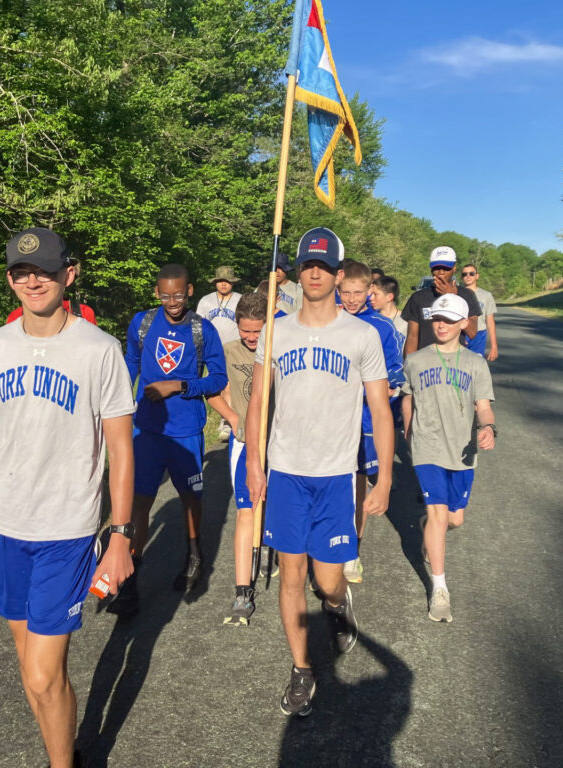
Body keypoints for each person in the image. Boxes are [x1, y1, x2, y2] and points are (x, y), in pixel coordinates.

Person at [0, 227, 135, 768]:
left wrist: (120, 537)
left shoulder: (99, 350)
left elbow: (121, 449)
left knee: (41, 674)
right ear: (10, 279)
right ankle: (65, 752)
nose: (33, 281)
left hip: (67, 532)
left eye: (46, 272)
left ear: (68, 275)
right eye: (21, 272)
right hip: (5, 529)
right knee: (31, 669)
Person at [246, 227, 393, 717]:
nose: (315, 273)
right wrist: (254, 463)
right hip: (287, 472)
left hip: (335, 476)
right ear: (298, 270)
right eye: (308, 265)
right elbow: (258, 400)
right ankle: (302, 668)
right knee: (291, 574)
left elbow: (380, 409)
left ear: (338, 273)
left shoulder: (361, 335)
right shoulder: (276, 330)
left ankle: (336, 604)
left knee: (327, 580)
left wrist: (385, 478)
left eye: (324, 266)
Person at [109, 264, 228, 616]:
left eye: (178, 295)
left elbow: (218, 378)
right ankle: (131, 581)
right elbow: (131, 362)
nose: (172, 302)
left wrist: (178, 385)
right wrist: (116, 400)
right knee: (139, 502)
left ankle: (194, 555)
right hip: (146, 428)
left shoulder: (202, 330)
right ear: (156, 293)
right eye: (165, 295)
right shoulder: (142, 323)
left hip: (186, 429)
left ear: (189, 291)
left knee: (190, 498)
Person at [400, 293, 496, 623]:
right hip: (427, 447)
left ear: (464, 323)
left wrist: (488, 428)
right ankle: (440, 589)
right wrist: (409, 431)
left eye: (449, 320)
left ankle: (428, 528)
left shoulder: (476, 363)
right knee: (439, 514)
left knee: (454, 519)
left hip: (462, 450)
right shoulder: (416, 360)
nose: (441, 325)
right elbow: (408, 398)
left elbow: (484, 406)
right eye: (437, 319)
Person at [337, 261, 404, 584]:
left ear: (370, 290)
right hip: (332, 418)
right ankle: (324, 545)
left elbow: (395, 371)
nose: (352, 299)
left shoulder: (382, 326)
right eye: (346, 293)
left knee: (358, 482)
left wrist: (389, 386)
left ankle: (352, 549)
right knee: (333, 483)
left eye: (358, 292)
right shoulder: (329, 320)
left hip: (365, 420)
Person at [204, 292, 268, 625]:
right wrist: (231, 417)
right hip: (244, 443)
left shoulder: (279, 349)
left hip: (279, 444)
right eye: (246, 331)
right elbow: (211, 391)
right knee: (246, 509)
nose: (252, 337)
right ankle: (243, 591)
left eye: (258, 331)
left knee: (275, 505)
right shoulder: (228, 351)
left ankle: (270, 548)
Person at [401, 246, 481, 355]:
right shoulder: (418, 297)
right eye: (436, 268)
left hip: (456, 360)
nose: (441, 272)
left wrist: (452, 297)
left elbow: (472, 333)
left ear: (454, 268)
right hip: (425, 360)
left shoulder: (467, 295)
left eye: (446, 267)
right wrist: (409, 363)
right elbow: (412, 336)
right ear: (431, 270)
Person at [7, 256, 97, 325]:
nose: (32, 284)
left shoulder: (83, 313)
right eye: (22, 273)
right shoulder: (16, 317)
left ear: (68, 277)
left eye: (46, 273)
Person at [459, 264, 499, 361]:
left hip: (479, 335)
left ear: (477, 276)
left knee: (475, 365)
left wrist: (494, 346)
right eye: (465, 274)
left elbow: (490, 321)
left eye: (471, 273)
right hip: (460, 334)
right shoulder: (457, 294)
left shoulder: (486, 295)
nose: (468, 276)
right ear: (461, 277)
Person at [196, 265, 243, 346]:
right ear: (215, 282)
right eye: (220, 281)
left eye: (227, 281)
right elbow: (198, 325)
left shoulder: (241, 300)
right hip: (210, 346)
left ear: (233, 282)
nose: (223, 284)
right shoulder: (206, 300)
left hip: (235, 347)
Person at [369, 275, 407, 341]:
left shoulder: (406, 322)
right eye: (371, 294)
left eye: (375, 294)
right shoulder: (370, 319)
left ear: (389, 297)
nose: (371, 298)